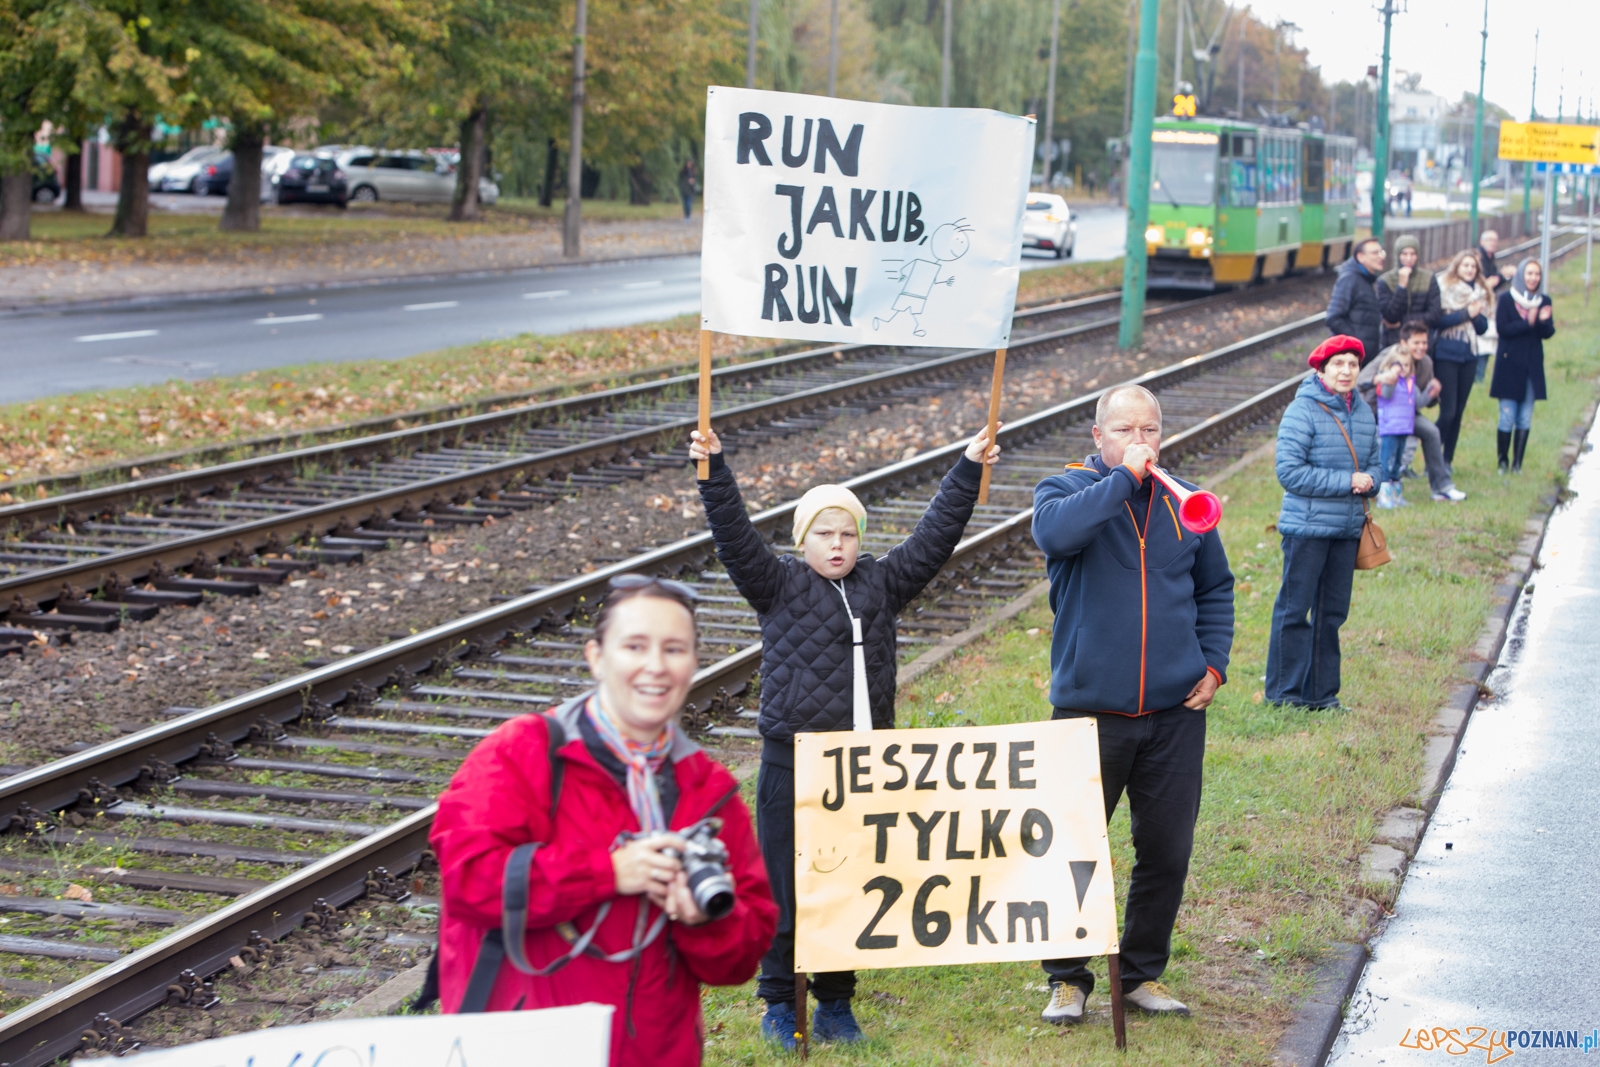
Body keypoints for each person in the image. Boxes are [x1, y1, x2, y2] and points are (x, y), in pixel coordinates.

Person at [689, 423, 1001, 1048]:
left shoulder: (881, 583)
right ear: (803, 540)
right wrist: (715, 471)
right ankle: (780, 1002)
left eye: (847, 533)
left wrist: (967, 467)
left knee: (848, 883)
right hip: (793, 762)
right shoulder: (776, 585)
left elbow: (934, 538)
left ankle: (835, 1001)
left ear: (860, 537)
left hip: (862, 767)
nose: (837, 545)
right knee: (784, 884)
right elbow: (733, 535)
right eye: (824, 535)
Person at [430, 576, 777, 1067]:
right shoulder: (522, 752)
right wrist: (609, 872)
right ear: (596, 656)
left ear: (694, 663)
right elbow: (468, 879)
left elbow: (745, 952)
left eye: (674, 649)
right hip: (523, 1051)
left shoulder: (707, 790)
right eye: (635, 646)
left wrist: (703, 920)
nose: (655, 667)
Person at [1031, 384, 1234, 1026]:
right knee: (1074, 849)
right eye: (1125, 430)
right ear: (1099, 438)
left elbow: (1216, 590)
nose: (1140, 441)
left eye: (1150, 430)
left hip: (1174, 713)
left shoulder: (1184, 503)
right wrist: (1123, 479)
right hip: (1091, 711)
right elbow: (1057, 537)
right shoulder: (1063, 492)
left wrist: (1214, 662)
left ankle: (1142, 973)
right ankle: (1069, 979)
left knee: (1167, 850)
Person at [1265, 335, 1381, 710]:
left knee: (1332, 614)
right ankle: (1284, 695)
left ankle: (1322, 695)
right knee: (1295, 609)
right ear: (1322, 369)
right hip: (1307, 529)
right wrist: (1347, 481)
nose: (1346, 371)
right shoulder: (1303, 410)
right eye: (1338, 364)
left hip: (1347, 530)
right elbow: (1289, 472)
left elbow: (1378, 465)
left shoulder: (1362, 412)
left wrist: (1372, 480)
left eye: (1352, 364)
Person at [1358, 320, 1465, 502]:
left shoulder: (1425, 364)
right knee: (1377, 448)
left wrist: (1432, 393)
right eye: (1416, 342)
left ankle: (1442, 487)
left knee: (1431, 431)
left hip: (1403, 414)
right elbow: (1362, 380)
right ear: (1404, 343)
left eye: (1424, 343)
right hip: (1374, 410)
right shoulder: (1391, 355)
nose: (1421, 347)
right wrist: (1385, 377)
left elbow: (1421, 402)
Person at [1491, 259, 1556, 473]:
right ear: (1521, 275)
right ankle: (1502, 461)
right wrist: (1528, 322)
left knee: (1525, 416)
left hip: (1531, 366)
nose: (1533, 278)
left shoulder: (1543, 300)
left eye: (1537, 274)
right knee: (1507, 415)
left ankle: (1517, 464)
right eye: (1529, 273)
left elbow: (1547, 333)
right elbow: (1503, 328)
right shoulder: (1506, 299)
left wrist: (1543, 321)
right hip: (1508, 365)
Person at [1428, 250, 1491, 466]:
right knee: (1448, 411)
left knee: (1459, 413)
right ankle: (1432, 455)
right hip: (1446, 354)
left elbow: (1482, 327)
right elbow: (1438, 322)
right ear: (1457, 267)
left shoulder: (1479, 293)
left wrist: (1474, 314)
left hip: (1469, 356)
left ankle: (1447, 461)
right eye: (1466, 266)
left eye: (1473, 267)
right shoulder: (1445, 288)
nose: (1470, 270)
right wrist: (1466, 314)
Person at [1373, 341, 1418, 509]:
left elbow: (1418, 401)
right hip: (1390, 428)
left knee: (1398, 462)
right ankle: (1383, 495)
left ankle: (1397, 494)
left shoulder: (1410, 382)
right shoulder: (1387, 380)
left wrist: (1430, 393)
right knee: (1386, 461)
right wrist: (1390, 377)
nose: (1403, 368)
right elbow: (1386, 394)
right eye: (1399, 364)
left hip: (1404, 428)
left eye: (1406, 365)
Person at [1327, 238, 1386, 367]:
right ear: (1361, 257)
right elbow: (1333, 317)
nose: (1381, 257)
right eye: (1375, 253)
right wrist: (1356, 344)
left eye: (1381, 252)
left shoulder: (1365, 280)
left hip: (1362, 358)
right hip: (1353, 358)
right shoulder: (1350, 279)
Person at [1376, 235, 1436, 353]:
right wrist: (1401, 287)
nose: (1409, 258)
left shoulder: (1429, 279)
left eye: (1413, 254)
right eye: (1404, 254)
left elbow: (1434, 315)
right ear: (1397, 255)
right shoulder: (1385, 281)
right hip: (1393, 343)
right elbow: (1390, 316)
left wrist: (1403, 321)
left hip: (1422, 345)